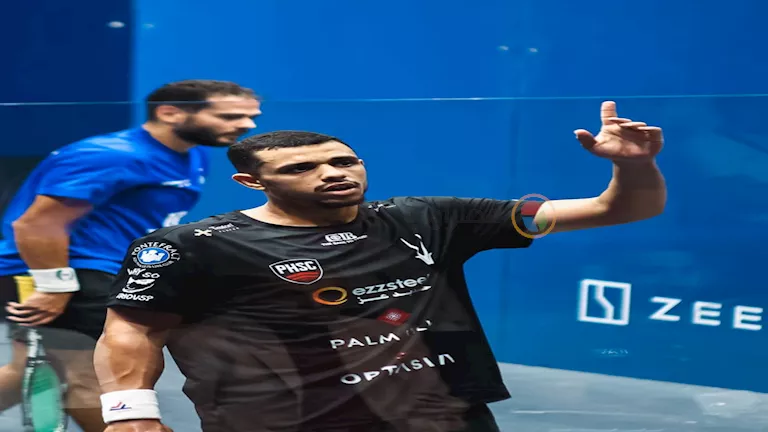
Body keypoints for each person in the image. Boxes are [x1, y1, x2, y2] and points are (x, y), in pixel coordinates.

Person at [94, 101, 666, 432]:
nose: (333, 173)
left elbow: (618, 208)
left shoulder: (429, 217)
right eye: (301, 169)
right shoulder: (191, 245)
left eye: (344, 161)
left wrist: (635, 166)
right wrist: (128, 414)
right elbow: (133, 329)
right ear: (251, 181)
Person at [0, 79, 261, 431]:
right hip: (65, 271)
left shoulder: (193, 153)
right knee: (86, 378)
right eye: (230, 116)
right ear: (170, 112)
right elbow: (35, 225)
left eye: (250, 116)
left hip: (107, 268)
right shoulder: (109, 156)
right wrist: (55, 286)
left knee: (25, 371)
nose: (247, 125)